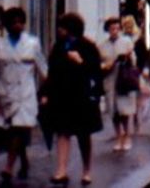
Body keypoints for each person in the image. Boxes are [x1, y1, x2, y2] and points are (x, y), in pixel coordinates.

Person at [0, 7, 47, 184]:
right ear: (6, 25)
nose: (17, 25)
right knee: (14, 131)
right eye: (13, 23)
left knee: (18, 129)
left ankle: (8, 167)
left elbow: (43, 69)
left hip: (25, 94)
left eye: (20, 22)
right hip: (6, 94)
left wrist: (47, 92)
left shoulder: (32, 43)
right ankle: (24, 161)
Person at [42, 12, 103, 185]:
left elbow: (95, 71)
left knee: (84, 135)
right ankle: (61, 169)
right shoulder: (58, 47)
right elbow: (51, 72)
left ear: (70, 29)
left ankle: (86, 171)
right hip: (62, 96)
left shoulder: (88, 46)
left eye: (62, 27)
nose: (59, 30)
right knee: (62, 132)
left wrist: (80, 62)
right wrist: (46, 93)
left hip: (81, 96)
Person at [99, 17, 137, 151]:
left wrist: (126, 58)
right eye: (111, 29)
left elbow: (133, 61)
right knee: (113, 111)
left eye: (116, 28)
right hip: (110, 80)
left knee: (124, 110)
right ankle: (118, 136)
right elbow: (99, 62)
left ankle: (127, 136)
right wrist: (104, 66)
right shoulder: (103, 45)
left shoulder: (126, 42)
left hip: (123, 79)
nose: (114, 31)